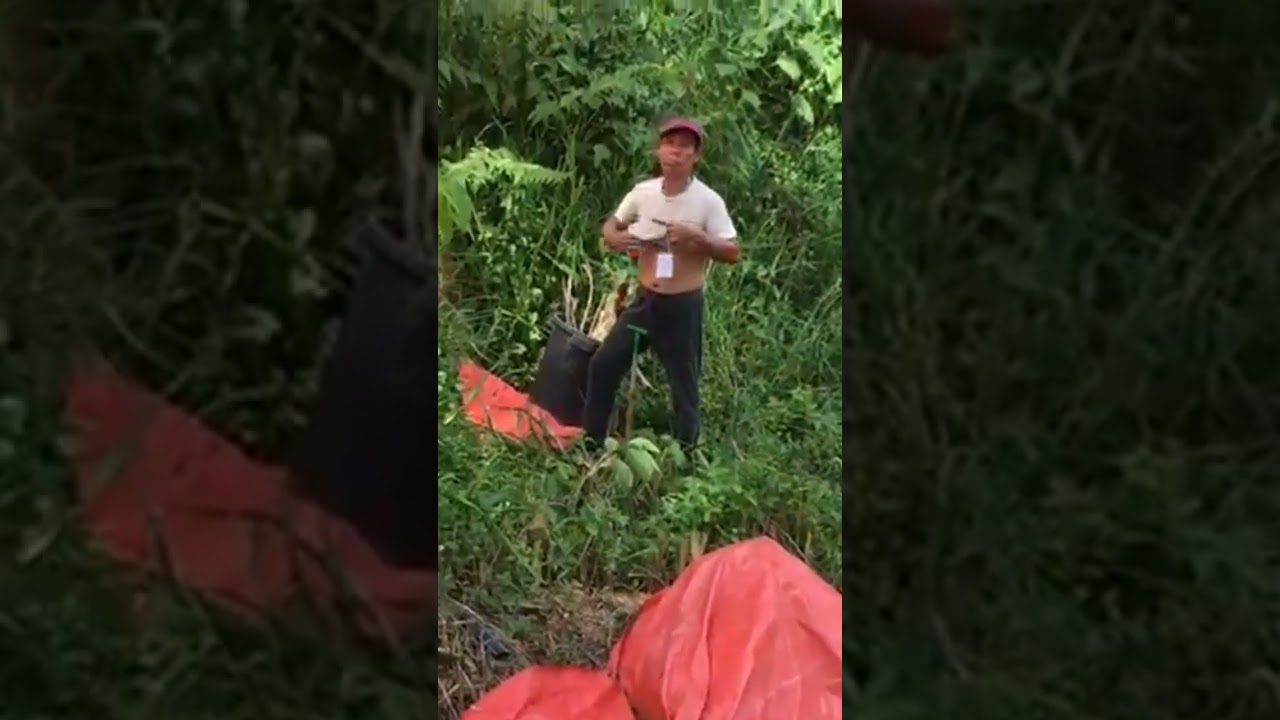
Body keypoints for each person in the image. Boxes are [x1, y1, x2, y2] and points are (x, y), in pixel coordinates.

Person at [583, 118, 741, 452]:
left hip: (683, 305)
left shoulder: (707, 201)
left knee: (684, 385)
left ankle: (687, 456)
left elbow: (732, 251)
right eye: (670, 144)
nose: (675, 152)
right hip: (645, 302)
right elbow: (611, 226)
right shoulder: (643, 193)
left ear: (696, 156)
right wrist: (618, 238)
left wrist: (698, 238)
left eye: (684, 147)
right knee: (603, 364)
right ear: (659, 150)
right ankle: (591, 444)